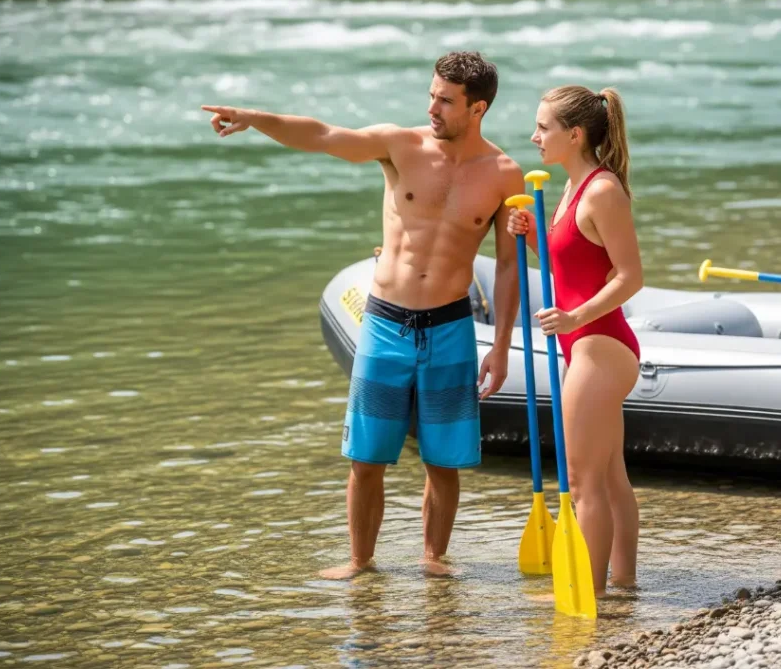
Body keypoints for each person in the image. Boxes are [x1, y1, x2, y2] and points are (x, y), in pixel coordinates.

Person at [202, 51, 523, 579]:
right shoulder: (400, 145)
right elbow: (325, 135)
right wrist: (255, 118)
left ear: (478, 107)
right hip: (385, 323)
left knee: (444, 463)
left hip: (450, 328)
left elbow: (509, 269)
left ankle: (433, 559)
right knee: (366, 459)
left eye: (445, 100)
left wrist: (504, 346)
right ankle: (360, 563)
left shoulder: (505, 174)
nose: (432, 106)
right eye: (432, 95)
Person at [507, 85, 643, 597]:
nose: (534, 136)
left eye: (543, 127)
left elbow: (630, 277)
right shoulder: (571, 188)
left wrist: (574, 318)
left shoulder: (602, 190)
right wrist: (533, 237)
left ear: (575, 134)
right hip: (587, 345)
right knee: (609, 479)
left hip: (600, 346)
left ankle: (589, 596)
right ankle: (624, 588)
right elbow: (576, 269)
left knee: (584, 484)